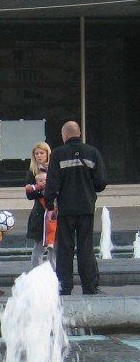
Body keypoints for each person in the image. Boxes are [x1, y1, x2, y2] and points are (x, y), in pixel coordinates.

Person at [43, 121, 108, 295]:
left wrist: (50, 204)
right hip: (86, 206)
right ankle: (89, 286)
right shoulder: (92, 152)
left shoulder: (57, 154)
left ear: (64, 135)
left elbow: (52, 183)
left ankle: (64, 287)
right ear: (79, 133)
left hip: (65, 208)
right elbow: (101, 182)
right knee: (86, 247)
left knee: (65, 248)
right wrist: (88, 187)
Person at [25, 142, 53, 268]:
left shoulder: (54, 168)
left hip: (54, 212)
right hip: (40, 213)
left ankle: (55, 275)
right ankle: (36, 276)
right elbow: (29, 194)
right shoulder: (32, 171)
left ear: (48, 154)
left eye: (42, 153)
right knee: (39, 248)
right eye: (36, 153)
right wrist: (40, 189)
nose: (39, 156)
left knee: (55, 247)